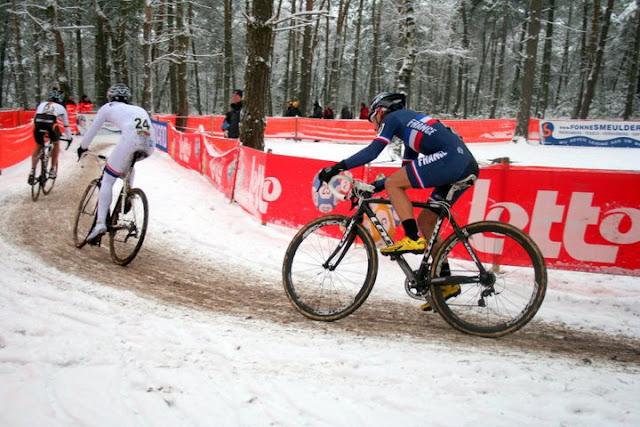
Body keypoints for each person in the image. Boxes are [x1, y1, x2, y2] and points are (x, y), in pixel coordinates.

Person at [317, 92, 479, 311]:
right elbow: (406, 171)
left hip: (452, 159)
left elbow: (373, 152)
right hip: (465, 164)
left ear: (382, 110)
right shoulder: (411, 125)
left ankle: (412, 238)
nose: (375, 124)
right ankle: (446, 282)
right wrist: (375, 186)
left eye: (373, 118)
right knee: (426, 222)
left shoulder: (394, 118)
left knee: (394, 185)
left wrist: (337, 167)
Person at [77, 84, 155, 242]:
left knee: (108, 178)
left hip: (131, 140)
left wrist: (83, 147)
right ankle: (127, 195)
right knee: (127, 166)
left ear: (109, 97)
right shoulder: (137, 109)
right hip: (150, 144)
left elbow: (92, 130)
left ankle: (100, 224)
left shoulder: (107, 107)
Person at [28, 90, 73, 184]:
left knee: (38, 145)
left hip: (38, 122)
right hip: (50, 123)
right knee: (56, 143)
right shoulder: (61, 107)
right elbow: (66, 126)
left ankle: (32, 170)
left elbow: (35, 116)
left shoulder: (41, 104)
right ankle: (52, 170)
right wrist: (69, 138)